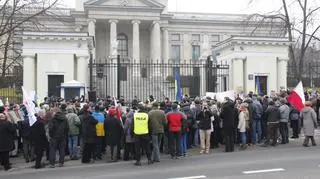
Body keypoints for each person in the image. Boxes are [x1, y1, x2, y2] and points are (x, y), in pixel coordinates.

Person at [48, 103, 69, 168]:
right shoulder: (65, 118)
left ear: (55, 112)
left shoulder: (52, 119)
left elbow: (50, 129)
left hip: (54, 137)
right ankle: (61, 163)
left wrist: (51, 135)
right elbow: (67, 128)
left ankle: (52, 164)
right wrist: (65, 134)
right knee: (62, 149)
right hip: (62, 136)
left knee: (53, 150)